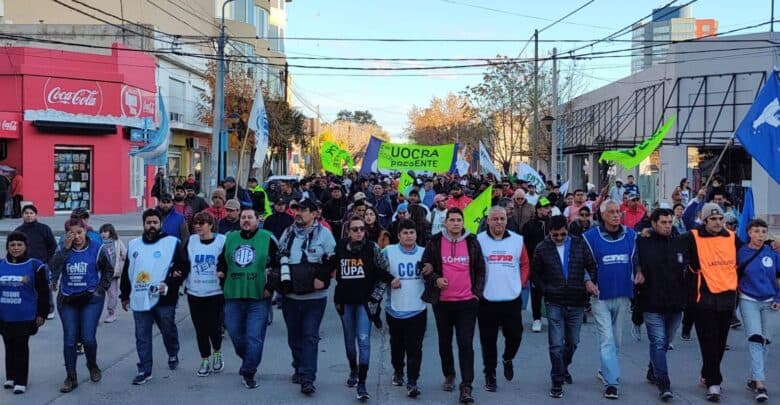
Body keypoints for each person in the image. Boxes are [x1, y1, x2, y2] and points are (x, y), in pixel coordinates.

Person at [421, 208, 485, 404]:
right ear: (445, 222)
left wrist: (476, 294)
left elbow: (481, 269)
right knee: (445, 341)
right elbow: (423, 266)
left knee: (465, 343)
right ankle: (449, 374)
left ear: (463, 222)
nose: (456, 223)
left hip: (467, 302)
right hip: (442, 302)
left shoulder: (472, 241)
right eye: (452, 220)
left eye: (459, 220)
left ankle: (466, 386)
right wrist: (434, 279)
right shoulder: (434, 242)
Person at [531, 215, 598, 398]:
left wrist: (589, 283)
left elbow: (591, 266)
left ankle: (563, 366)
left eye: (562, 234)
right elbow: (535, 273)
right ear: (549, 233)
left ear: (567, 230)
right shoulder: (542, 248)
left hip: (577, 300)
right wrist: (546, 290)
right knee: (555, 345)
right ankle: (557, 380)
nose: (559, 238)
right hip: (554, 301)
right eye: (555, 235)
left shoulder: (578, 244)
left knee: (573, 342)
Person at [120, 208, 189, 386]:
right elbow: (128, 270)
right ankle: (144, 369)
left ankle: (173, 352)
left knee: (168, 329)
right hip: (140, 298)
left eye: (155, 223)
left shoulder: (172, 242)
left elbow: (183, 266)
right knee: (142, 335)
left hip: (164, 298)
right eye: (148, 223)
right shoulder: (134, 244)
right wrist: (124, 294)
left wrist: (170, 284)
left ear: (160, 224)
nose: (151, 226)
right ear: (143, 224)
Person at [678, 203, 740, 401]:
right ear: (704, 221)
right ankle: (715, 382)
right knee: (708, 341)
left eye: (720, 219)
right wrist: (648, 234)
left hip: (727, 297)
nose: (718, 222)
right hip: (702, 298)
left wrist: (770, 245)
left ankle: (707, 373)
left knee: (720, 342)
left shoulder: (731, 237)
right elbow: (670, 244)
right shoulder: (692, 236)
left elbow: (748, 252)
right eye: (713, 219)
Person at [277, 198, 337, 395]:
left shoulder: (324, 234)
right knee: (294, 337)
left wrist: (322, 277)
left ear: (314, 214)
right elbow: (279, 257)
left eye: (304, 210)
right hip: (291, 296)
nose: (299, 213)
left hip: (314, 297)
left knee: (310, 336)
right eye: (297, 210)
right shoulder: (288, 233)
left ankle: (307, 377)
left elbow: (333, 258)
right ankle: (299, 365)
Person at [334, 215, 398, 400]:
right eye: (355, 229)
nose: (359, 232)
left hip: (364, 303)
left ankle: (362, 383)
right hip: (345, 301)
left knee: (363, 340)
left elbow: (382, 271)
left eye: (362, 228)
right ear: (348, 231)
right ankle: (353, 370)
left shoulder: (372, 248)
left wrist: (375, 297)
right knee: (349, 340)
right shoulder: (339, 247)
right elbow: (330, 265)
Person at [50, 218, 113, 393]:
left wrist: (101, 289)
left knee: (88, 338)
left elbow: (108, 269)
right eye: (72, 233)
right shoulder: (63, 248)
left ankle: (92, 365)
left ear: (86, 231)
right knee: (70, 340)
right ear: (66, 234)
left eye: (80, 232)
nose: (77, 236)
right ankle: (71, 377)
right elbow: (53, 267)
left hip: (91, 299)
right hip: (68, 299)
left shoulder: (96, 248)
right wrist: (65, 249)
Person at [582, 200, 637, 400]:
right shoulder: (589, 237)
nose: (616, 215)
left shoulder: (632, 235)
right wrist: (587, 281)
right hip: (600, 296)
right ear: (602, 215)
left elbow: (638, 259)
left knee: (617, 339)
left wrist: (639, 272)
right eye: (612, 212)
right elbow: (582, 263)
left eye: (618, 212)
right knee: (607, 339)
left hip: (622, 294)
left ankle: (604, 369)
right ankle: (612, 383)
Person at [217, 208, 277, 389]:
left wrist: (270, 287)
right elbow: (223, 260)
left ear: (257, 220)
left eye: (250, 217)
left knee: (254, 337)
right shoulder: (230, 237)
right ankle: (250, 358)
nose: (246, 220)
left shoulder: (267, 238)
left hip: (258, 296)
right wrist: (220, 271)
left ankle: (249, 371)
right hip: (233, 294)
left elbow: (277, 264)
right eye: (243, 217)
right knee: (235, 335)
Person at [634, 208, 687, 400]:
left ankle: (652, 370)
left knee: (665, 342)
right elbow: (633, 258)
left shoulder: (679, 241)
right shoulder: (642, 241)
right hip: (651, 302)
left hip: (675, 304)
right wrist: (638, 271)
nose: (667, 226)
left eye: (669, 222)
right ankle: (664, 383)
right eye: (663, 222)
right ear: (654, 223)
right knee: (657, 342)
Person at [476, 206, 529, 392]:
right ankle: (489, 374)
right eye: (495, 219)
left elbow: (524, 264)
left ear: (507, 220)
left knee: (515, 335)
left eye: (502, 218)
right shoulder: (478, 241)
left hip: (511, 298)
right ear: (488, 221)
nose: (499, 222)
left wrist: (520, 284)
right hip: (487, 300)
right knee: (488, 341)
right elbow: (473, 268)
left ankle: (508, 358)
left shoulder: (517, 240)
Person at [0, 232, 50, 394]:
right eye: (12, 244)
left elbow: (43, 292)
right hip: (4, 314)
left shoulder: (35, 265)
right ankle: (11, 377)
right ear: (7, 247)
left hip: (25, 315)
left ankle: (21, 381)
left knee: (21, 347)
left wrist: (42, 313)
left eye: (19, 245)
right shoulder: (1, 264)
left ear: (26, 247)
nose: (15, 248)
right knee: (8, 346)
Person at [736, 219, 779, 403]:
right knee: (755, 338)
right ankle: (760, 384)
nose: (760, 235)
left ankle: (754, 377)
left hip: (770, 302)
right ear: (749, 233)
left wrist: (778, 298)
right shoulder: (741, 253)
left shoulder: (772, 253)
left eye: (763, 231)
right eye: (756, 231)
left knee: (766, 341)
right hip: (749, 300)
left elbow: (778, 278)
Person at [384, 219, 427, 398]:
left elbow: (435, 272)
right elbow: (377, 270)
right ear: (399, 235)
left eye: (412, 232)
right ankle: (398, 370)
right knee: (397, 344)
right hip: (395, 309)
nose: (409, 236)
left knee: (415, 346)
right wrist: (389, 279)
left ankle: (412, 381)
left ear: (416, 234)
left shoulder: (425, 253)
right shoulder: (388, 251)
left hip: (418, 308)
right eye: (405, 233)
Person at [184, 211, 227, 377]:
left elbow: (226, 260)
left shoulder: (222, 241)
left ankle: (217, 352)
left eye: (201, 223)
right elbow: (183, 260)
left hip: (215, 291)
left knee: (213, 327)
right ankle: (204, 358)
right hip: (194, 291)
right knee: (200, 328)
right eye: (196, 222)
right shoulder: (191, 241)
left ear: (210, 225)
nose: (197, 226)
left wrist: (223, 271)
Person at [14, 204, 57, 319]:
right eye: (26, 213)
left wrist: (47, 260)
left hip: (42, 264)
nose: (28, 215)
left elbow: (52, 245)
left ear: (35, 215)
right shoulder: (18, 231)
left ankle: (49, 310)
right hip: (24, 265)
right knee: (25, 287)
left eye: (31, 213)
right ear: (22, 215)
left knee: (44, 288)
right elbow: (13, 248)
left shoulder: (44, 228)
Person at [522, 197, 554, 333]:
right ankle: (537, 319)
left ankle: (553, 318)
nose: (548, 210)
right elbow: (524, 247)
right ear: (538, 209)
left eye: (549, 207)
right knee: (536, 292)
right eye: (545, 208)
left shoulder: (553, 224)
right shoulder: (529, 225)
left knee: (553, 291)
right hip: (535, 265)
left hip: (552, 264)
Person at [99, 224, 126, 324]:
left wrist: (122, 258)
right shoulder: (99, 242)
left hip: (113, 273)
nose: (103, 234)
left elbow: (125, 253)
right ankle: (95, 314)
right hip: (101, 273)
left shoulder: (117, 242)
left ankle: (111, 313)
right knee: (98, 294)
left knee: (112, 295)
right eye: (102, 231)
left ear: (111, 232)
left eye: (106, 231)